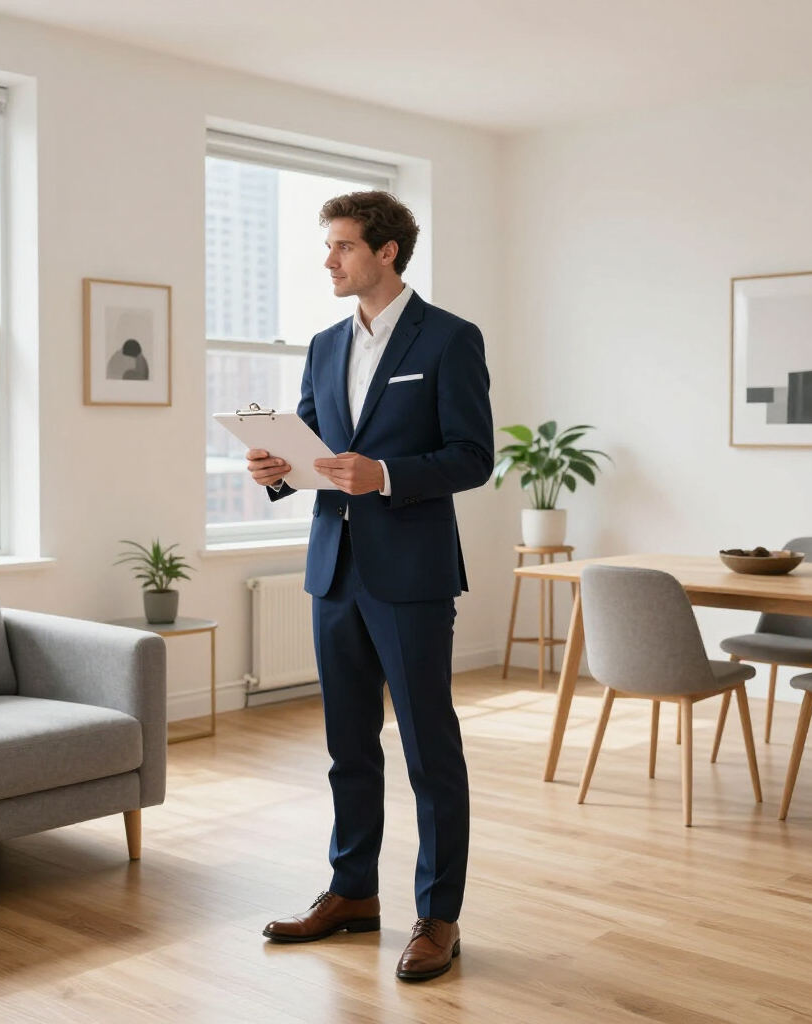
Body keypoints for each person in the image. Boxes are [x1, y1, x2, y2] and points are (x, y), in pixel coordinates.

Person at [246, 191, 493, 982]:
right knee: (347, 746)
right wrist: (275, 470)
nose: (329, 260)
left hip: (411, 574)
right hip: (334, 569)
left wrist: (384, 473)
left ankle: (439, 916)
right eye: (329, 246)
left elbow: (473, 457)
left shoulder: (449, 338)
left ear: (386, 252)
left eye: (343, 246)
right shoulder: (324, 344)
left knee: (428, 749)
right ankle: (352, 892)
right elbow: (314, 445)